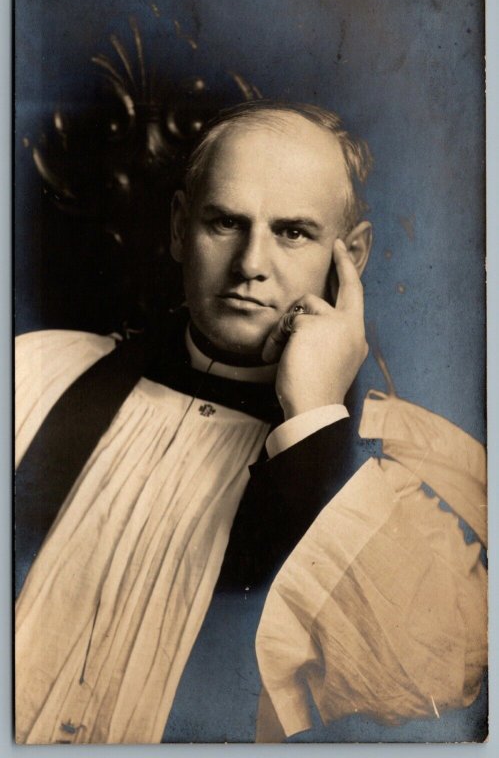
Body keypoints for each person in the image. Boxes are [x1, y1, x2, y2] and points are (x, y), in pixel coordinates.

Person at [14, 102, 487, 744]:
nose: (250, 264)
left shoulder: (409, 473)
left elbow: (430, 688)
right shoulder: (38, 376)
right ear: (181, 227)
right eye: (225, 222)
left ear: (350, 255)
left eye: (293, 232)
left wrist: (315, 417)